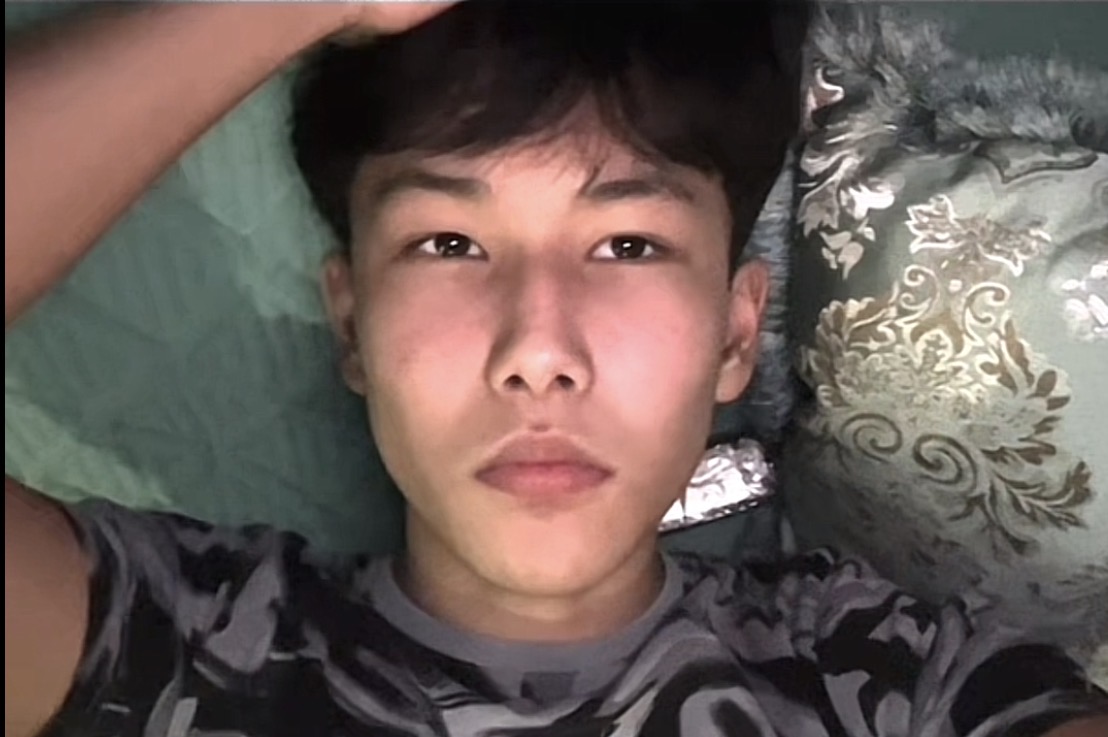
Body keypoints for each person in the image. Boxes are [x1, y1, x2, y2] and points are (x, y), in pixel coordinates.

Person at [5, 2, 1106, 736]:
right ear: (352, 326)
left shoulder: (891, 677)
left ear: (734, 336)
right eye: (449, 243)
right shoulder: (185, 640)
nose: (538, 350)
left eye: (627, 245)